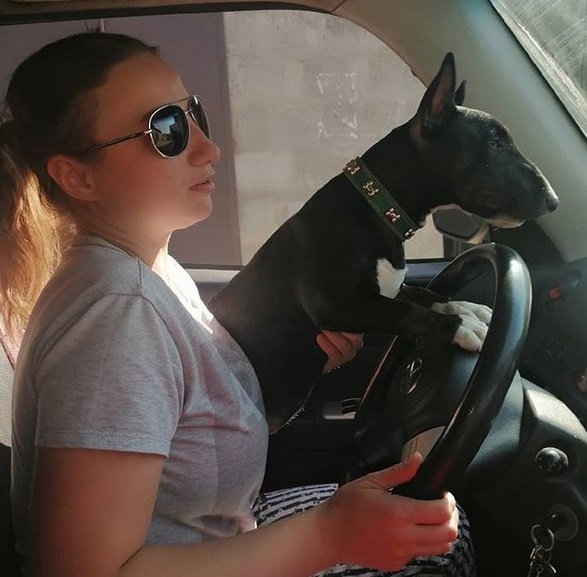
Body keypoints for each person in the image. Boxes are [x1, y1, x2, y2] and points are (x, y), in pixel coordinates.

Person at [0, 32, 474, 577]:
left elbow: (197, 417)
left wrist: (305, 355)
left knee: (436, 527)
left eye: (193, 114)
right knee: (444, 548)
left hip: (227, 529)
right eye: (167, 131)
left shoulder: (150, 273)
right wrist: (328, 535)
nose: (208, 147)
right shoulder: (116, 315)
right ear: (76, 175)